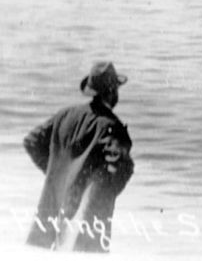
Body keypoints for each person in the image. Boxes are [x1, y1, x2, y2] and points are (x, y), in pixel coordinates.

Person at [23, 61, 134, 253]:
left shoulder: (65, 115)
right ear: (112, 91)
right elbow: (116, 173)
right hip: (86, 220)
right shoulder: (113, 127)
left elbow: (32, 141)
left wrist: (57, 174)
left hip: (53, 208)